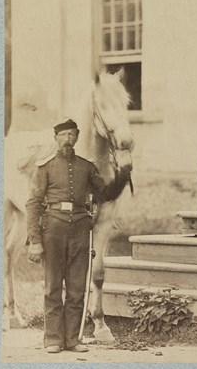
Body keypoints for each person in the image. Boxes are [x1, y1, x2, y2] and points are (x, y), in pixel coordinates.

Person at [26, 118, 130, 354]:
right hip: (53, 228)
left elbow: (104, 194)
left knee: (76, 287)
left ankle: (73, 339)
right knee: (53, 286)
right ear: (55, 138)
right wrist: (34, 241)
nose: (68, 140)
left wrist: (122, 176)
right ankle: (52, 338)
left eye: (72, 135)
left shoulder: (86, 167)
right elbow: (33, 204)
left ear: (77, 138)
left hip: (81, 229)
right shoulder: (45, 167)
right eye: (63, 135)